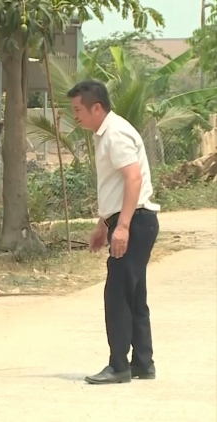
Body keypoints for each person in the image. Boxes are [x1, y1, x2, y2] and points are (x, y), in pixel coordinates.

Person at [66, 80, 161, 385]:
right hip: (132, 220)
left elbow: (132, 180)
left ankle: (118, 365)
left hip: (134, 221)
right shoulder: (104, 132)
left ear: (97, 107)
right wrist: (103, 224)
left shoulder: (115, 133)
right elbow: (117, 187)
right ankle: (143, 363)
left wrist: (121, 226)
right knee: (133, 294)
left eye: (78, 109)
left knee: (117, 294)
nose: (75, 115)